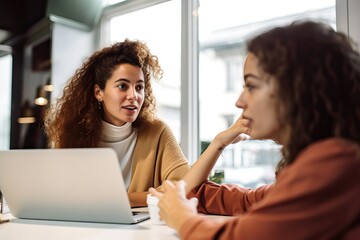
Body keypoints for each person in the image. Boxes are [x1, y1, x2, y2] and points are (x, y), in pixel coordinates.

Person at [149, 20, 360, 239]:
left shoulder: (334, 162)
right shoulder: (328, 161)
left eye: (251, 86)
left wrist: (183, 219)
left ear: (297, 90)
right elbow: (248, 200)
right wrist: (218, 144)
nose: (240, 102)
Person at [44, 39, 190, 207]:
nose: (134, 95)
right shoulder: (75, 135)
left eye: (139, 87)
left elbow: (184, 186)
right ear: (99, 92)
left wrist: (122, 200)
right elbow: (65, 195)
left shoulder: (157, 132)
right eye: (122, 86)